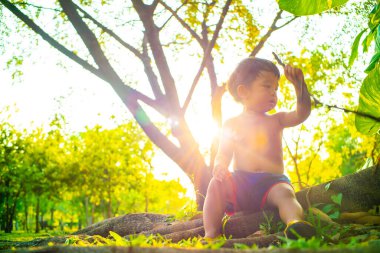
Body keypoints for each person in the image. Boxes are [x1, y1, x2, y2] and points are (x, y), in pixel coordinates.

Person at [203, 57, 316, 240]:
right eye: (267, 86)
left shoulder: (276, 120)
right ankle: (211, 233)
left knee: (286, 194)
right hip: (240, 184)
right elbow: (223, 153)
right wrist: (220, 166)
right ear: (244, 92)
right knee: (215, 185)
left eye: (276, 89)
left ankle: (295, 223)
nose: (274, 93)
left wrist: (299, 86)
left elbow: (302, 113)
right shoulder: (232, 124)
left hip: (272, 184)